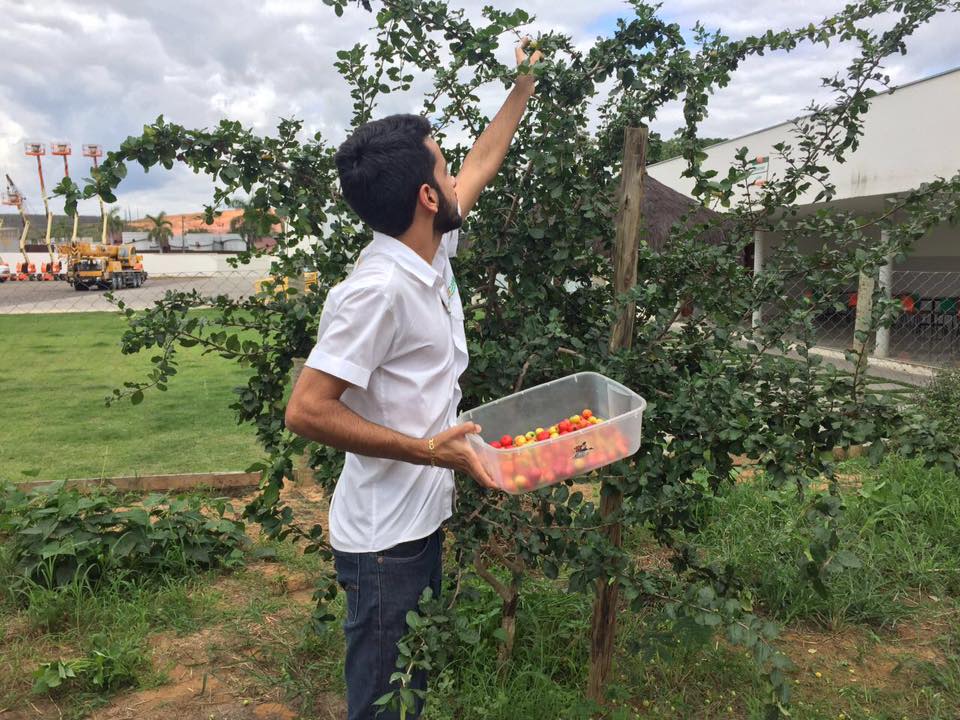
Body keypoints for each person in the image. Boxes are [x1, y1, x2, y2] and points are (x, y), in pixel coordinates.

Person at [284, 38, 544, 720]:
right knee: (383, 705)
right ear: (428, 197)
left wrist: (523, 86)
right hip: (381, 547)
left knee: (409, 690)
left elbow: (482, 162)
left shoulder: (430, 243)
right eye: (444, 169)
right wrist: (430, 450)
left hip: (417, 524)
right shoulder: (376, 291)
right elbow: (306, 409)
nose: (459, 177)